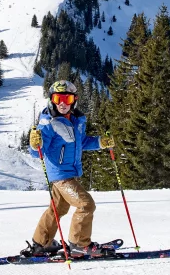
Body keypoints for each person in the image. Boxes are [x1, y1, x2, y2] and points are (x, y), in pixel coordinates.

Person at [26, 80, 115, 257]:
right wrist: (34, 144)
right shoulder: (49, 124)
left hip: (69, 173)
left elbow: (81, 143)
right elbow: (38, 152)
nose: (62, 103)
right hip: (61, 175)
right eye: (58, 98)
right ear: (52, 99)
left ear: (74, 100)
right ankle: (79, 244)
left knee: (57, 210)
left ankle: (41, 243)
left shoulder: (76, 121)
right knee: (86, 204)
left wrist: (100, 142)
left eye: (67, 99)